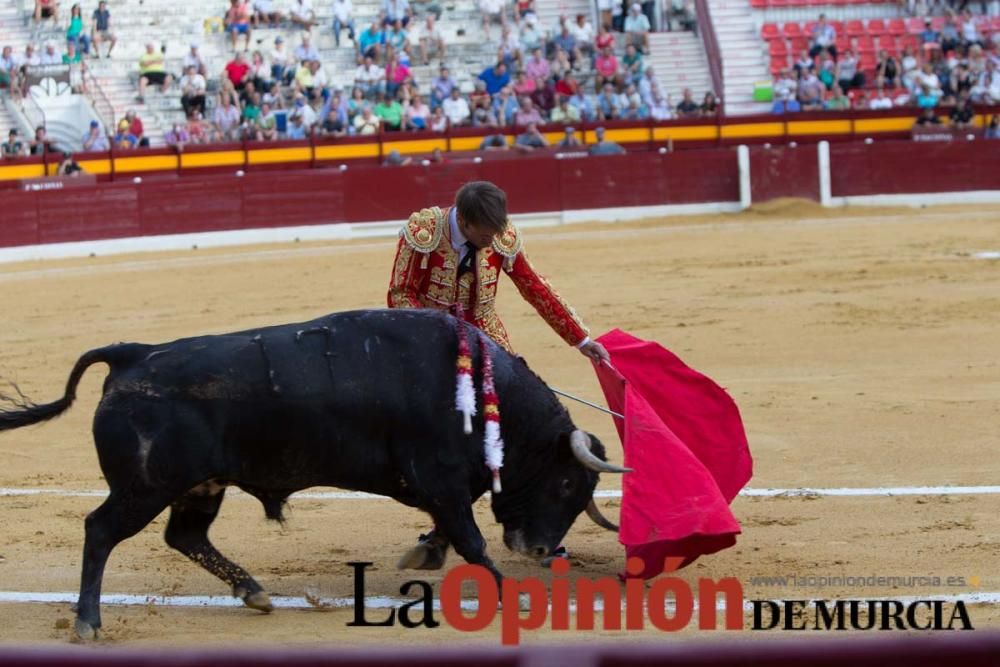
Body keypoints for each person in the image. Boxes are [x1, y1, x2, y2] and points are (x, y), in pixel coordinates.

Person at [387, 181, 609, 570]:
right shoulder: (422, 233)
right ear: (466, 222)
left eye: (495, 231)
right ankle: (445, 526)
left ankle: (540, 525)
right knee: (444, 435)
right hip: (429, 340)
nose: (492, 239)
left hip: (487, 336)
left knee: (521, 427)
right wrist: (438, 333)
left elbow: (534, 287)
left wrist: (580, 338)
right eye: (484, 233)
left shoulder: (501, 236)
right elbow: (401, 294)